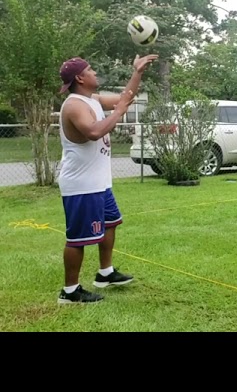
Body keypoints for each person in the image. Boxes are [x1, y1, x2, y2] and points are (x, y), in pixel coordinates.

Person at [57, 53, 158, 304]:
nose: (95, 73)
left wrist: (137, 72)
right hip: (81, 186)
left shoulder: (92, 99)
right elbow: (93, 131)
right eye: (90, 69)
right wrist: (120, 111)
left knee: (111, 224)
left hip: (99, 183)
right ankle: (69, 292)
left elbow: (125, 99)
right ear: (80, 77)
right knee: (77, 239)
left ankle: (105, 273)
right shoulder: (74, 105)